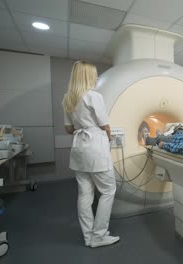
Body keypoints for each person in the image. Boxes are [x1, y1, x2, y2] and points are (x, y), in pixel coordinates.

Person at [62, 61, 119, 248]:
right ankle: (99, 235)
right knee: (108, 190)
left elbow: (69, 129)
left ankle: (88, 236)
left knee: (85, 194)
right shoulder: (94, 96)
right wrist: (108, 138)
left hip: (78, 147)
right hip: (94, 146)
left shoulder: (67, 99)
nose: (96, 77)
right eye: (94, 74)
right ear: (87, 77)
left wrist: (82, 125)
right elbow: (105, 125)